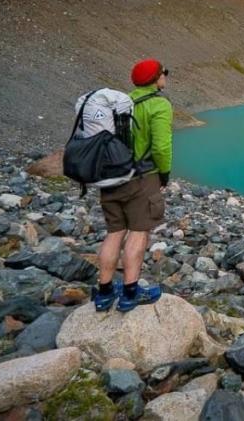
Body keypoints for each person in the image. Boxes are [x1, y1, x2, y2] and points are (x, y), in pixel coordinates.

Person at [92, 59, 174, 312]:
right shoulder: (158, 104)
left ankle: (104, 292)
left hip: (110, 177)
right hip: (141, 177)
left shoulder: (118, 104)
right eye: (164, 73)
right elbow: (161, 146)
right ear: (156, 78)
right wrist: (164, 174)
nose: (166, 77)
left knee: (114, 232)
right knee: (138, 232)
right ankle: (130, 292)